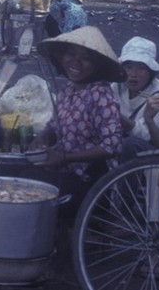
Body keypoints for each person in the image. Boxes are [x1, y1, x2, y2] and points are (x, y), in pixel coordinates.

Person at [31, 26, 125, 217]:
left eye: (85, 58)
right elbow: (53, 126)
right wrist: (42, 137)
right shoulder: (67, 90)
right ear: (61, 57)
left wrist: (65, 157)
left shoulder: (101, 95)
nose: (76, 62)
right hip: (67, 173)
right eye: (71, 54)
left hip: (92, 182)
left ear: (97, 64)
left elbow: (111, 146)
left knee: (33, 188)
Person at [113, 37, 159, 161]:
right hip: (117, 142)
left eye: (141, 68)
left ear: (151, 72)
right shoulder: (118, 85)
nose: (133, 74)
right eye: (128, 67)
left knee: (129, 144)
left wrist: (115, 114)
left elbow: (144, 135)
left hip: (144, 154)